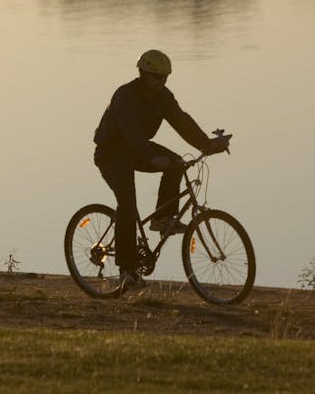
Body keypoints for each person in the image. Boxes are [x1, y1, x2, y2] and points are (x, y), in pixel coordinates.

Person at [93, 50, 229, 287]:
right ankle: (127, 269)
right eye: (157, 77)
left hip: (137, 148)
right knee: (127, 204)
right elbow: (132, 134)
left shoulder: (163, 97)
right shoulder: (125, 96)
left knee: (177, 163)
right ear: (143, 74)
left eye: (165, 78)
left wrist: (208, 145)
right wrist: (151, 158)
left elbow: (181, 121)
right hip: (112, 153)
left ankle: (162, 219)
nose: (162, 82)